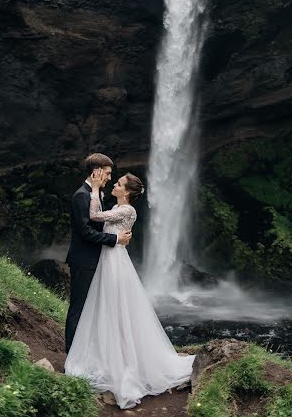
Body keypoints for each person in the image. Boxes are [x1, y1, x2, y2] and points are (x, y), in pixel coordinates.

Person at [64, 169, 195, 409]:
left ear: (127, 192)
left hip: (114, 263)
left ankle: (122, 358)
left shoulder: (126, 210)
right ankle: (108, 351)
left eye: (119, 183)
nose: (114, 183)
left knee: (116, 306)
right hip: (109, 259)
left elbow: (93, 216)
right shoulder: (117, 208)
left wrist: (94, 189)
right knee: (107, 305)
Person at [65, 153, 132, 353]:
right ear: (97, 171)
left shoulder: (94, 194)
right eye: (108, 173)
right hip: (84, 261)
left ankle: (86, 353)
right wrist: (115, 239)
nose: (110, 178)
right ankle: (71, 357)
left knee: (91, 309)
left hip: (96, 260)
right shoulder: (82, 196)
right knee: (79, 309)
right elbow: (85, 232)